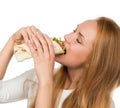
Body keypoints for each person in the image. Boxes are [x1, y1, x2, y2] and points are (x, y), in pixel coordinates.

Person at [0, 17, 120, 108]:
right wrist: (12, 42)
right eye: (74, 30)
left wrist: (46, 83)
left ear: (94, 61)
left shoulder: (103, 104)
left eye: (78, 40)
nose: (67, 36)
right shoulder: (37, 77)